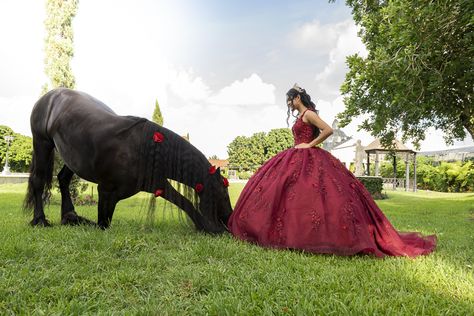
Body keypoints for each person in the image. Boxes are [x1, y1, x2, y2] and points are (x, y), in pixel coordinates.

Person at [227, 84, 436, 257]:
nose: (289, 104)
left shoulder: (308, 114)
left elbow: (328, 130)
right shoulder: (301, 116)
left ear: (298, 97)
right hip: (294, 156)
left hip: (307, 154)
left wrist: (310, 145)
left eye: (291, 100)